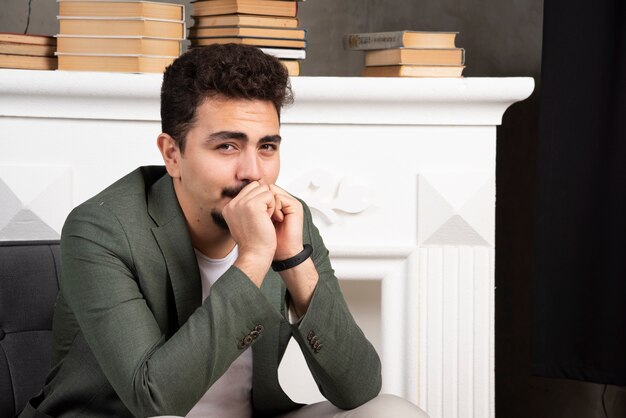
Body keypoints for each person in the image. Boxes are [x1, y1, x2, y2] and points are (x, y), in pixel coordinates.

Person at [20, 44, 427, 418]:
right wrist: (252, 260)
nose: (253, 172)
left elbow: (359, 389)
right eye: (227, 146)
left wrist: (294, 261)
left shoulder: (290, 220)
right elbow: (154, 401)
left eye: (266, 147)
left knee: (391, 411)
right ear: (172, 154)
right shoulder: (100, 229)